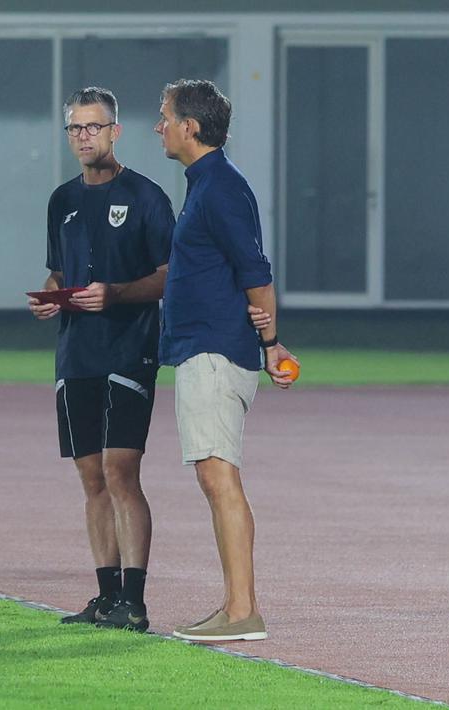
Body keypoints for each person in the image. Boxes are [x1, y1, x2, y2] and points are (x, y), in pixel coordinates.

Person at [152, 79, 299, 642]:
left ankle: (242, 611)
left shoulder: (220, 186)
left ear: (191, 126)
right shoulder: (207, 183)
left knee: (219, 477)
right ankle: (235, 607)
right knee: (215, 476)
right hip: (203, 349)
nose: (159, 126)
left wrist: (270, 342)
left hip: (215, 352)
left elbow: (255, 271)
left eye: (165, 117)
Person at [28, 87, 174, 633]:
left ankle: (134, 601)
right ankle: (106, 595)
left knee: (120, 470)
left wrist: (115, 294)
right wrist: (51, 295)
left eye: (94, 127)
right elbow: (60, 273)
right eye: (75, 129)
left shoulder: (146, 196)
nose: (84, 137)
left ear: (116, 131)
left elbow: (168, 275)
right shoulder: (61, 200)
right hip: (76, 354)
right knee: (91, 477)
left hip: (130, 348)